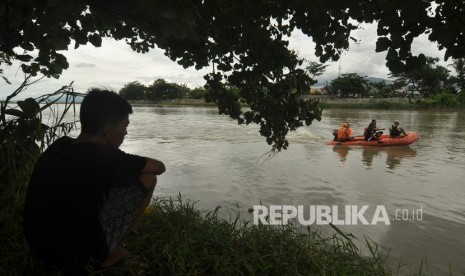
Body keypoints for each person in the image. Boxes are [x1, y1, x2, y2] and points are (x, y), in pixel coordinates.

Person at [23, 89, 166, 272]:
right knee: (148, 178)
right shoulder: (104, 158)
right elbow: (159, 167)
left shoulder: (60, 146)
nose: (125, 133)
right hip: (72, 257)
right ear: (107, 130)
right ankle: (110, 253)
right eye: (124, 126)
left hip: (37, 247)